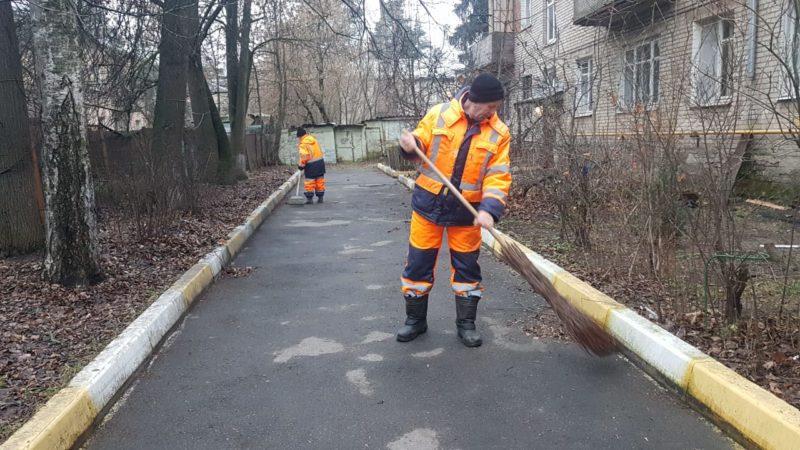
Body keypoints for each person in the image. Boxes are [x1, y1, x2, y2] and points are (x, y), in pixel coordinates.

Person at [395, 73, 512, 348]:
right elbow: (420, 142)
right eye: (491, 107)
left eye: (497, 108)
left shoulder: (499, 133)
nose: (494, 113)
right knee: (418, 264)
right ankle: (415, 320)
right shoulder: (439, 114)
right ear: (475, 100)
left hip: (466, 213)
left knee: (467, 268)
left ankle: (466, 324)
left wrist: (490, 209)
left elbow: (499, 175)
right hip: (428, 206)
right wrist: (410, 143)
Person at [297, 128, 326, 204]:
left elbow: (305, 156)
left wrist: (301, 165)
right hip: (320, 163)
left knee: (310, 181)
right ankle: (320, 198)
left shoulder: (303, 144)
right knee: (320, 180)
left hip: (311, 165)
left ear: (300, 136)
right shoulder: (314, 140)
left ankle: (309, 199)